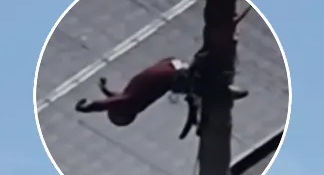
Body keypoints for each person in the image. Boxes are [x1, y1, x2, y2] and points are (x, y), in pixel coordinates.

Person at [74, 57, 247, 127]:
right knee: (192, 89)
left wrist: (88, 107)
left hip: (172, 75)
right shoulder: (130, 98)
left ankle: (223, 91)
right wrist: (103, 91)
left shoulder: (131, 101)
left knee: (199, 87)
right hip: (168, 67)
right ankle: (217, 87)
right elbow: (112, 100)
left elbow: (109, 102)